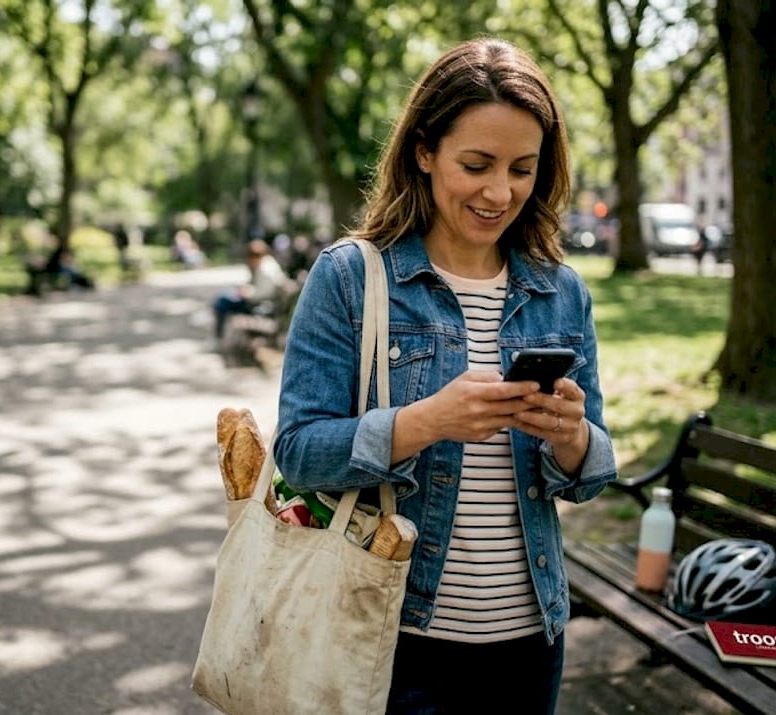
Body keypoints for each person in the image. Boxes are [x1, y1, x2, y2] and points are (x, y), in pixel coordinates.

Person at [272, 37, 618, 714]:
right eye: (477, 164)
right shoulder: (350, 277)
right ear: (424, 151)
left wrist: (571, 438)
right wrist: (424, 422)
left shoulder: (561, 293)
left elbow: (593, 470)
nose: (500, 191)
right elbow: (298, 452)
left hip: (530, 643)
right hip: (394, 637)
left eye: (523, 168)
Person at [210, 238, 290, 344]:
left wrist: (246, 292)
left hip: (259, 306)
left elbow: (263, 293)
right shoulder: (266, 262)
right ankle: (218, 337)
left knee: (222, 302)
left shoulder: (265, 270)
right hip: (261, 302)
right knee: (224, 296)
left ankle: (218, 339)